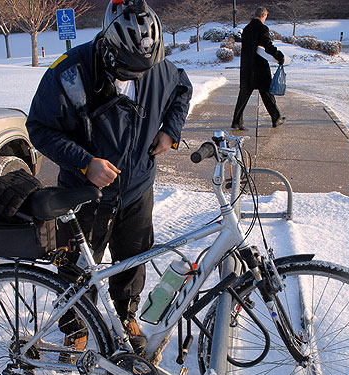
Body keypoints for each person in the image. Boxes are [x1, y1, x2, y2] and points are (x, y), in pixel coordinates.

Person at [26, 0, 192, 355]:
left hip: (136, 190)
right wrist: (85, 162)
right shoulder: (69, 74)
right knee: (76, 266)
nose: (137, 77)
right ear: (110, 47)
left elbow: (182, 89)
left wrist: (170, 131)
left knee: (133, 259)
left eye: (144, 70)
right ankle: (75, 324)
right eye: (129, 71)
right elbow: (39, 128)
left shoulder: (157, 67)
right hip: (84, 195)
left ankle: (126, 314)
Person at [231, 6, 285, 131]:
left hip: (246, 67)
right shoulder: (262, 28)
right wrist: (279, 56)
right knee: (267, 93)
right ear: (263, 15)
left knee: (244, 94)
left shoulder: (247, 29)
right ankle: (276, 118)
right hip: (259, 68)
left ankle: (236, 121)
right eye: (266, 17)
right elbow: (267, 45)